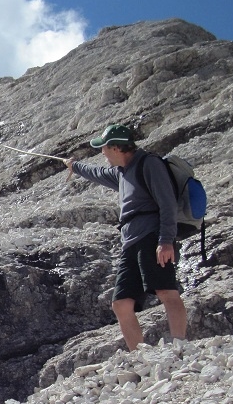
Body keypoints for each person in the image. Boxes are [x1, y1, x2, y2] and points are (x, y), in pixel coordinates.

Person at [63, 124, 187, 350]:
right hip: (130, 243)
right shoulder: (121, 172)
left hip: (152, 236)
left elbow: (167, 203)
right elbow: (97, 174)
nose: (102, 153)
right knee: (121, 304)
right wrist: (74, 166)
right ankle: (140, 357)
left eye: (104, 148)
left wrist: (166, 240)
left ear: (116, 148)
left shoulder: (149, 164)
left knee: (165, 290)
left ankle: (180, 346)